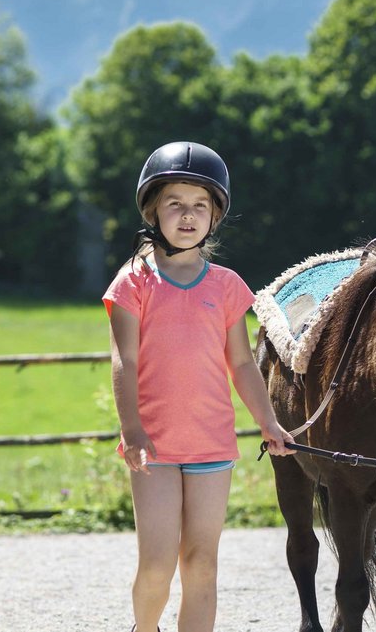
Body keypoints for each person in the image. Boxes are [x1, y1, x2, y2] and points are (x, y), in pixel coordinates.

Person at [103, 141, 294, 632]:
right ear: (153, 212)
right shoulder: (134, 282)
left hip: (212, 442)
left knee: (202, 563)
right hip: (155, 446)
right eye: (175, 204)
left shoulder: (227, 285)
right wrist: (133, 430)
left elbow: (242, 364)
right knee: (157, 565)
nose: (187, 216)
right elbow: (124, 358)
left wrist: (269, 422)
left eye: (199, 206)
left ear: (215, 216)